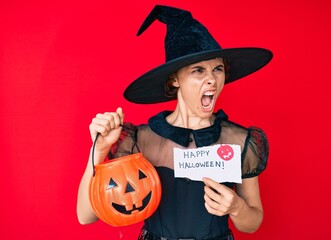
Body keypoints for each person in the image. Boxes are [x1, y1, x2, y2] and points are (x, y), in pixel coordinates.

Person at [77, 5, 272, 240]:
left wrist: (236, 208)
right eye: (198, 70)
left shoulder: (241, 141)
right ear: (175, 79)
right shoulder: (139, 140)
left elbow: (252, 223)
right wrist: (99, 150)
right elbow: (86, 216)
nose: (211, 79)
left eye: (218, 69)